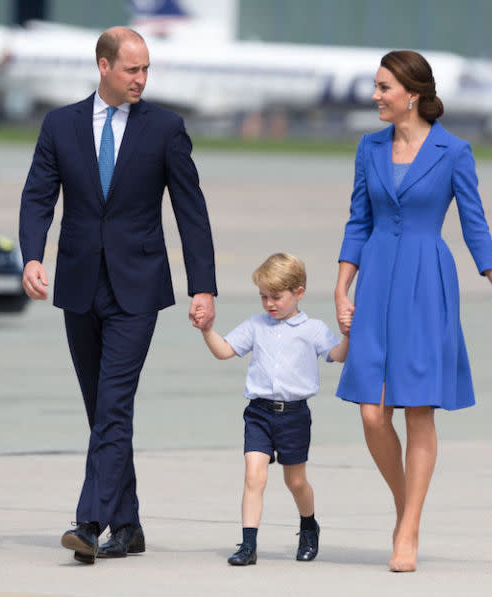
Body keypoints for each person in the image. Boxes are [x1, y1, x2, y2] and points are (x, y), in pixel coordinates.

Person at [18, 26, 217, 564]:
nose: (142, 78)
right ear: (104, 66)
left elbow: (191, 212)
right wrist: (32, 255)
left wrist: (203, 286)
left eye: (147, 69)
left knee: (113, 404)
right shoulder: (60, 125)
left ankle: (89, 521)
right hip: (80, 285)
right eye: (133, 69)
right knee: (99, 409)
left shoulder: (165, 128)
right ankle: (127, 524)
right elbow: (38, 195)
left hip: (139, 288)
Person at [333, 50, 492, 572]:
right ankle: (406, 507)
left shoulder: (453, 151)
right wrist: (342, 285)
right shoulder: (368, 148)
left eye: (384, 87)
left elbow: (475, 226)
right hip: (375, 281)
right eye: (376, 86)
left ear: (411, 94)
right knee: (372, 412)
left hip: (426, 281)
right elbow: (358, 220)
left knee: (417, 410)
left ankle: (408, 529)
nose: (375, 96)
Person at [194, 253, 349, 566]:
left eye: (276, 297)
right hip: (259, 413)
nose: (269, 304)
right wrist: (207, 330)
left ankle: (309, 525)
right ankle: (248, 545)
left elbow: (338, 354)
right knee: (254, 477)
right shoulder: (256, 325)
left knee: (296, 482)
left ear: (299, 293)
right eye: (264, 296)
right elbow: (225, 351)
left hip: (294, 416)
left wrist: (349, 334)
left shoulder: (313, 329)